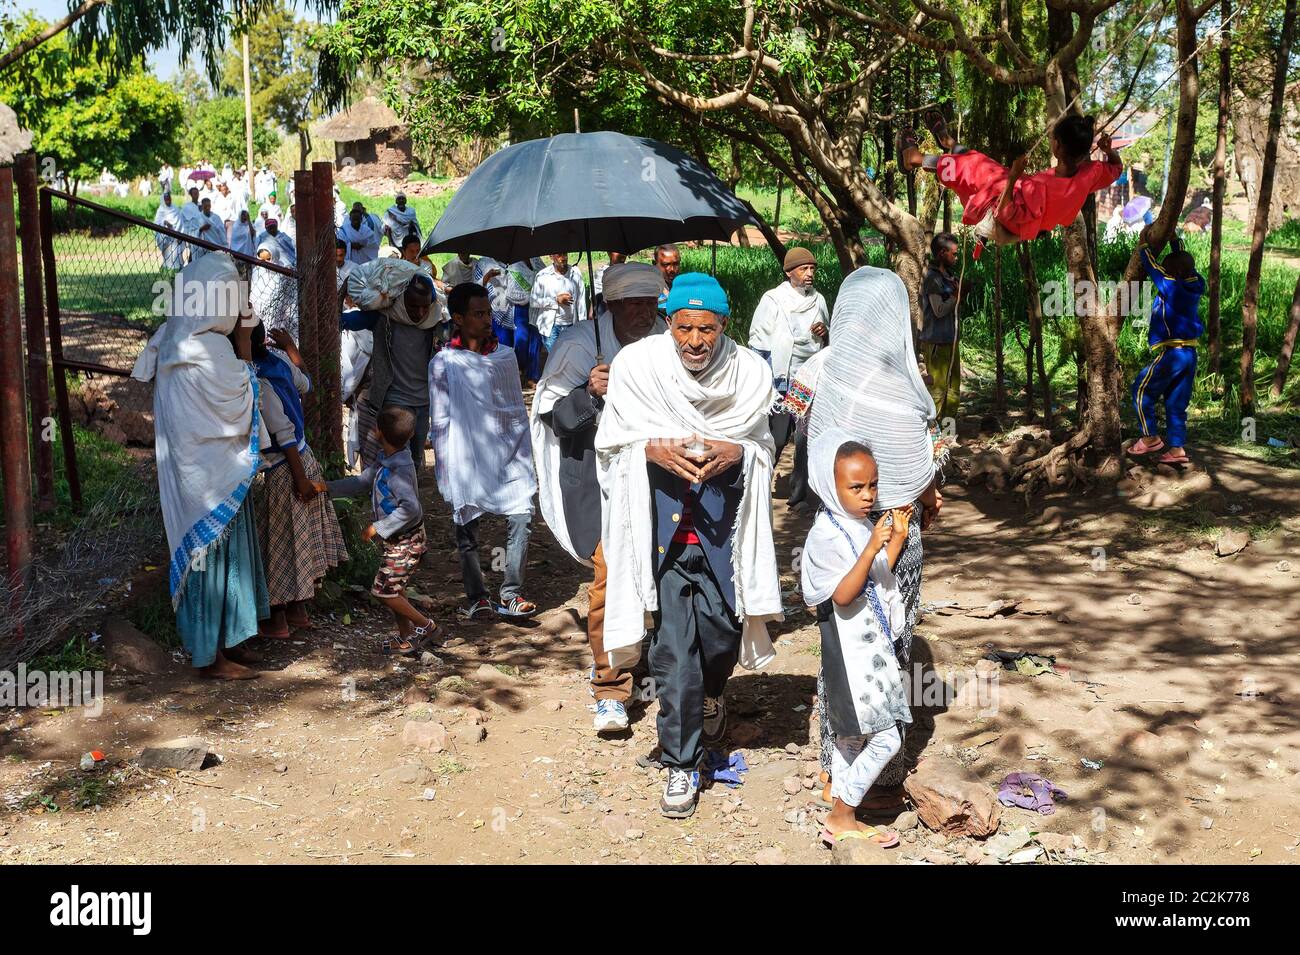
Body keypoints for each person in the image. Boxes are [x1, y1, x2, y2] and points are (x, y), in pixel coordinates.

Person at [595, 272, 783, 818]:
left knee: (722, 633)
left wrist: (739, 453)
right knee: (675, 651)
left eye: (707, 329)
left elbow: (762, 441)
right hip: (663, 530)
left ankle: (713, 694)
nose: (695, 341)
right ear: (667, 322)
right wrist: (648, 452)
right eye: (684, 328)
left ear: (725, 325)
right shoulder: (638, 368)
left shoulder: (748, 373)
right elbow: (612, 444)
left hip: (723, 528)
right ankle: (681, 764)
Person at [798, 266, 944, 810]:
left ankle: (833, 765)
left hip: (834, 531)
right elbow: (921, 464)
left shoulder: (825, 369)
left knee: (838, 650)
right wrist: (928, 493)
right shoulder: (901, 382)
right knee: (891, 646)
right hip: (892, 531)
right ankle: (880, 778)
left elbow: (800, 432)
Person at [531, 263, 666, 732]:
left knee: (660, 573)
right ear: (610, 305)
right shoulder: (579, 344)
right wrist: (589, 392)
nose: (645, 313)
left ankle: (653, 665)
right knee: (610, 575)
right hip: (597, 481)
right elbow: (553, 417)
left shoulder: (666, 338)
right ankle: (610, 686)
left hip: (658, 477)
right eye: (634, 304)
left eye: (651, 303)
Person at [129, 253, 268, 680]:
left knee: (216, 557)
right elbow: (245, 400)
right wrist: (245, 344)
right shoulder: (210, 349)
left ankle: (228, 642)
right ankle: (213, 657)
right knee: (212, 558)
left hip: (204, 479)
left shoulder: (174, 339)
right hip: (211, 480)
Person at [801, 430, 911, 848]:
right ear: (832, 486)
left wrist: (893, 540)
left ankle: (839, 814)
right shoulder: (826, 535)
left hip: (869, 648)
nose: (868, 496)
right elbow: (844, 595)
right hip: (850, 651)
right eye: (856, 487)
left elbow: (874, 576)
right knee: (887, 736)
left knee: (853, 736)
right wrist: (870, 548)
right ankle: (844, 811)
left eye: (873, 485)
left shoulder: (856, 523)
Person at [430, 283, 537, 620]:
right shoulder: (444, 362)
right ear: (458, 318)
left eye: (488, 312)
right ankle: (477, 596)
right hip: (466, 455)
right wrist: (445, 470)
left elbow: (515, 409)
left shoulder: (505, 356)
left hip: (508, 453)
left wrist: (523, 451)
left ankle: (511, 593)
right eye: (479, 314)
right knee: (468, 529)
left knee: (522, 516)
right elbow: (441, 419)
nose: (487, 319)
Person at [899, 112, 1122, 257]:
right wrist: (1109, 151)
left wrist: (1014, 176)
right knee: (981, 161)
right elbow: (1116, 168)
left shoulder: (1041, 189)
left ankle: (914, 159)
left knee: (966, 170)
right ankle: (948, 143)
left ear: (1057, 146)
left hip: (1007, 214)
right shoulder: (1089, 174)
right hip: (1017, 193)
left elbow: (1005, 213)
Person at [249, 325, 347, 637]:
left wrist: (300, 480)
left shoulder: (257, 380)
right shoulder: (280, 360)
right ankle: (299, 610)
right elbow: (306, 383)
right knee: (300, 539)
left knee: (279, 543)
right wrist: (291, 347)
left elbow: (283, 433)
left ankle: (277, 619)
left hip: (286, 467)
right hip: (306, 458)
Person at [320, 407, 441, 656]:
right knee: (394, 589)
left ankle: (426, 626)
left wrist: (378, 527)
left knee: (383, 591)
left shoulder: (400, 469)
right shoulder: (386, 459)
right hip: (399, 541)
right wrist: (326, 487)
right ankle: (406, 636)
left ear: (379, 432)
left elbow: (411, 509)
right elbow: (362, 482)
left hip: (407, 541)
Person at [747, 246, 829, 510]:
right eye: (804, 269)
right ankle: (757, 486)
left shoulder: (818, 300)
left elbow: (828, 338)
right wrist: (762, 378)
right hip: (781, 379)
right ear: (789, 272)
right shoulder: (773, 300)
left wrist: (823, 331)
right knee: (778, 437)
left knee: (804, 439)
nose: (809, 274)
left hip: (806, 380)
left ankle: (799, 495)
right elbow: (758, 340)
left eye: (813, 269)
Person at [342, 258, 443, 468]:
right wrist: (342, 291)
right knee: (396, 458)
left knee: (416, 459)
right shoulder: (383, 318)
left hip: (423, 401)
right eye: (414, 306)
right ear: (401, 300)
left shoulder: (434, 322)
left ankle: (409, 498)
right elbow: (344, 320)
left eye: (425, 307)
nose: (420, 313)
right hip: (394, 399)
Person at [1127, 234, 1205, 465]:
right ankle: (1177, 449)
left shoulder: (1172, 287)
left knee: (1140, 390)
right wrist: (1175, 240)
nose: (1166, 272)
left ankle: (1150, 437)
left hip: (1174, 354)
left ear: (1175, 274)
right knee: (1176, 403)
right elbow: (1183, 262)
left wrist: (1143, 246)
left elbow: (1153, 268)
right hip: (1190, 354)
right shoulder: (1195, 281)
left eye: (1169, 270)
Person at [919, 232, 970, 421]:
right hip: (937, 343)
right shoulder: (933, 278)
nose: (956, 258)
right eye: (953, 254)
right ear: (941, 253)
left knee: (953, 391)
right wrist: (957, 296)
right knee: (938, 392)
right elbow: (939, 310)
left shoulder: (949, 276)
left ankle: (949, 435)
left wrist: (961, 293)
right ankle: (934, 438)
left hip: (952, 341)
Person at [530, 252, 587, 353]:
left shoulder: (575, 274)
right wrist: (556, 300)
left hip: (571, 325)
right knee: (555, 359)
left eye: (565, 254)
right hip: (551, 327)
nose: (563, 258)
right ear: (551, 257)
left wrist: (582, 325)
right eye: (559, 255)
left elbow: (581, 302)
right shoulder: (543, 276)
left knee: (569, 357)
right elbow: (534, 301)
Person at [506, 258, 544, 383]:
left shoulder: (536, 261)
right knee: (521, 340)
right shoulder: (514, 266)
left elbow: (545, 276)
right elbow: (511, 293)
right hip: (521, 308)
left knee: (535, 341)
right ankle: (520, 369)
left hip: (537, 307)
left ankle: (533, 376)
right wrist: (532, 297)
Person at [187, 197, 228, 261]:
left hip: (215, 248)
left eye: (209, 206)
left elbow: (222, 233)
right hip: (202, 250)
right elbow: (191, 233)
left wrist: (225, 246)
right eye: (205, 206)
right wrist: (201, 229)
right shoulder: (196, 218)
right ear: (202, 207)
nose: (207, 208)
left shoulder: (216, 218)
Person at [153, 190, 185, 270]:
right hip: (166, 241)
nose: (168, 201)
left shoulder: (176, 209)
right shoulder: (161, 210)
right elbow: (157, 223)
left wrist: (180, 236)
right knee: (168, 261)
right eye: (166, 199)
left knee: (178, 259)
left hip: (176, 240)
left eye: (169, 199)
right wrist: (164, 223)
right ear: (163, 200)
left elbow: (181, 223)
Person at [654, 244, 681, 314]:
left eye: (676, 264)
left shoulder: (686, 288)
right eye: (666, 264)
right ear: (655, 264)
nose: (672, 269)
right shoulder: (650, 292)